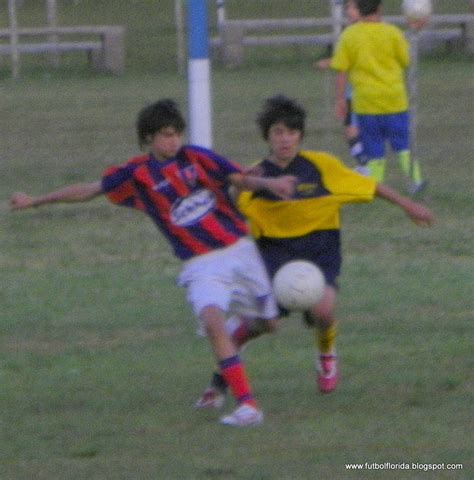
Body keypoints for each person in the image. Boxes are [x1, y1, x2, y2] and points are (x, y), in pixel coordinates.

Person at [9, 99, 298, 427]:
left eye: (176, 134)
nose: (173, 141)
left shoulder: (197, 157)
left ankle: (234, 339)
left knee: (269, 324)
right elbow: (89, 190)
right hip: (200, 263)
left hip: (239, 250)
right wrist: (36, 201)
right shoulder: (136, 174)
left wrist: (271, 184)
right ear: (148, 139)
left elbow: (240, 179)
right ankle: (248, 406)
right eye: (164, 135)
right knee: (213, 321)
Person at [195, 95, 433, 409]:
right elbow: (227, 209)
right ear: (267, 136)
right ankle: (218, 381)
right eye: (278, 132)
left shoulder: (321, 166)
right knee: (259, 325)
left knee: (323, 310)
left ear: (300, 136)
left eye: (292, 132)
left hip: (319, 250)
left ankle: (326, 355)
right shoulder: (254, 177)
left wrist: (408, 205)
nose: (285, 139)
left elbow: (370, 186)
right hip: (272, 255)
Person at [330, 0, 428, 195]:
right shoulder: (392, 32)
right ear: (380, 8)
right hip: (395, 101)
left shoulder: (349, 35)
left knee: (373, 148)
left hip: (366, 104)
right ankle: (415, 181)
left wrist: (340, 99)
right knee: (402, 144)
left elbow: (341, 70)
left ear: (359, 9)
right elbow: (406, 60)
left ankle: (375, 188)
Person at [314, 0, 369, 174]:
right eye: (347, 7)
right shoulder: (357, 30)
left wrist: (328, 62)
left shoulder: (357, 32)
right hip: (360, 90)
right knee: (357, 130)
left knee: (352, 131)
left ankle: (365, 166)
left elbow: (348, 62)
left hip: (358, 91)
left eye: (352, 7)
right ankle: (366, 165)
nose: (348, 11)